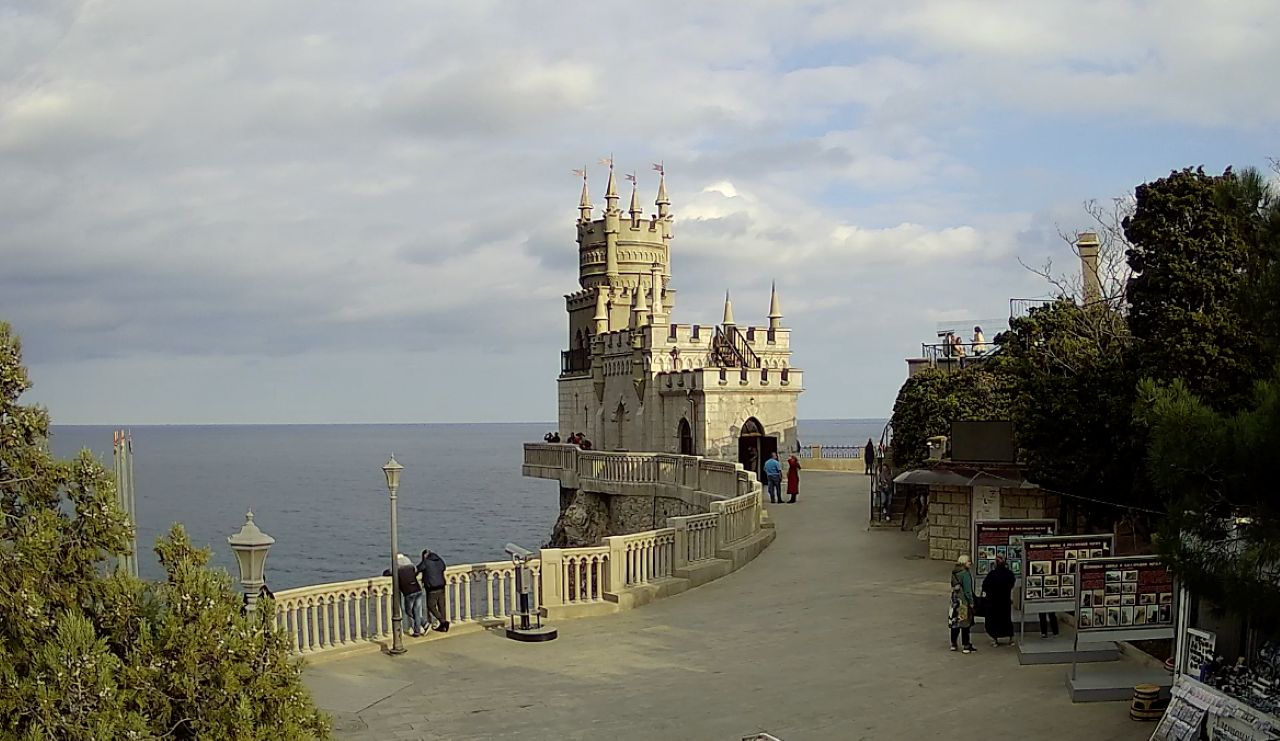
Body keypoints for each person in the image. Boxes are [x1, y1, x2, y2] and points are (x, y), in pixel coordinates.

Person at [383, 553, 425, 637]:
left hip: (409, 592)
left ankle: (424, 623)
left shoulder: (397, 569)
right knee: (416, 611)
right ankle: (418, 629)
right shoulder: (411, 566)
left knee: (408, 611)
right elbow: (416, 571)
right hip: (418, 589)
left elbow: (387, 573)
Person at [982, 554, 1016, 646]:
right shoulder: (1009, 574)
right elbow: (1012, 584)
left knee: (994, 621)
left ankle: (995, 639)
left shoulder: (992, 574)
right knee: (1006, 619)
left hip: (993, 602)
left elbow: (985, 586)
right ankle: (1011, 638)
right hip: (1005, 600)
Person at [416, 548, 450, 633]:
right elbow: (443, 567)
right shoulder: (439, 560)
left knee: (431, 606)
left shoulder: (426, 562)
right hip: (441, 585)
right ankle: (443, 626)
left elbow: (418, 569)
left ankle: (443, 621)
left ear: (425, 556)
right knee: (441, 606)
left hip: (432, 587)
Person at [950, 555, 977, 653]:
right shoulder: (965, 574)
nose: (970, 563)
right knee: (964, 623)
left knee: (955, 622)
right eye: (969, 561)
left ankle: (953, 644)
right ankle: (966, 645)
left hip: (955, 601)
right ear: (964, 562)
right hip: (963, 602)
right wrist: (971, 602)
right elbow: (967, 591)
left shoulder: (955, 572)